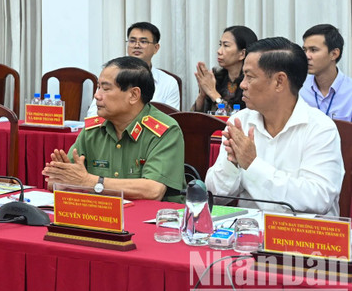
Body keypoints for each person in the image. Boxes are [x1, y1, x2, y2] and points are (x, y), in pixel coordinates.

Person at [205, 37, 343, 215]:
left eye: (250, 77)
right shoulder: (240, 122)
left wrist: (253, 164)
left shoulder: (320, 129)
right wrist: (231, 165)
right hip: (248, 229)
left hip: (301, 230)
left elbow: (318, 200)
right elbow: (213, 196)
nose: (242, 85)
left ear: (279, 81)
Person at [43, 56, 185, 202]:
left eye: (105, 89)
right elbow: (57, 182)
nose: (96, 95)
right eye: (98, 87)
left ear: (133, 95)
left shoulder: (165, 131)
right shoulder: (93, 130)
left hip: (151, 215)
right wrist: (61, 179)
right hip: (101, 212)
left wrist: (89, 182)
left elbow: (153, 190)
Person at [86, 22, 180, 116]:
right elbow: (93, 115)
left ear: (156, 48)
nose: (136, 45)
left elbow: (172, 118)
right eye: (132, 41)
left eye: (143, 42)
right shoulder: (110, 76)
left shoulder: (169, 82)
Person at [192, 26, 258, 113]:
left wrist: (213, 93)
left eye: (226, 45)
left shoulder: (251, 83)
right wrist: (202, 95)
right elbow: (196, 117)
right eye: (220, 45)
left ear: (242, 54)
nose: (219, 51)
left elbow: (237, 117)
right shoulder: (215, 78)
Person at [299, 24, 352, 122]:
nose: (306, 56)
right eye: (305, 50)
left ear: (334, 54)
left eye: (313, 50)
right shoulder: (298, 88)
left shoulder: (349, 92)